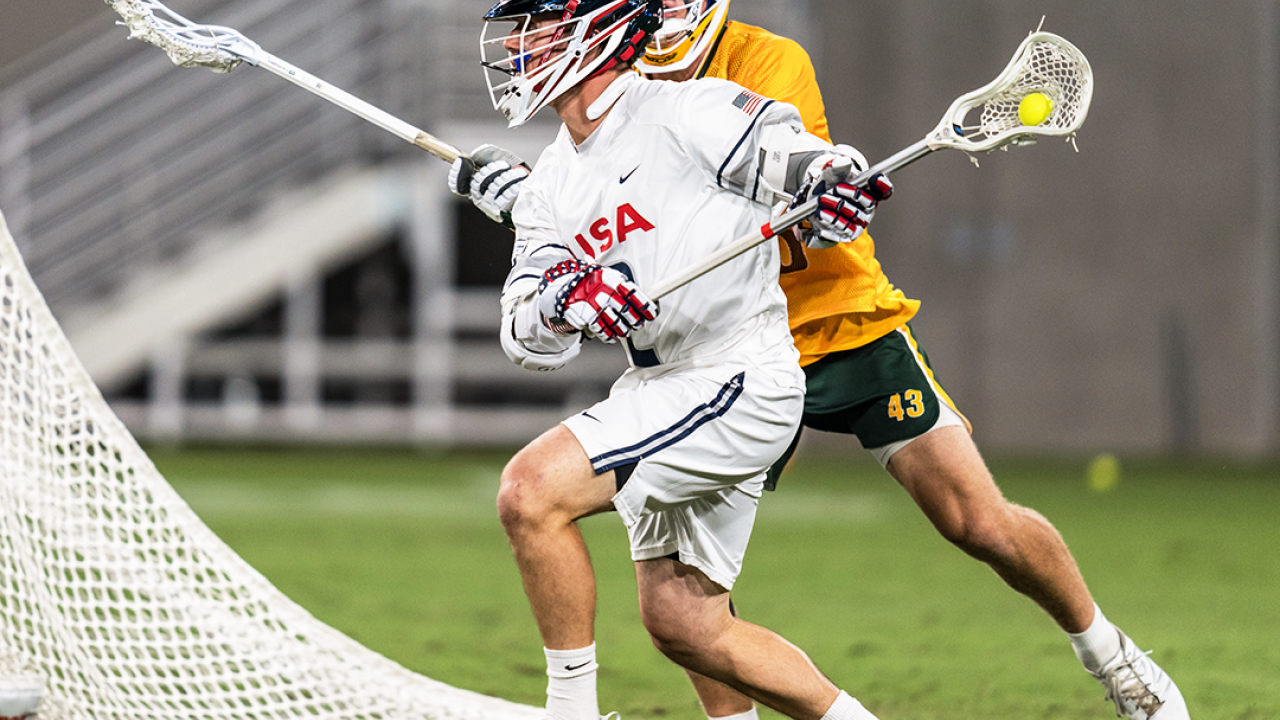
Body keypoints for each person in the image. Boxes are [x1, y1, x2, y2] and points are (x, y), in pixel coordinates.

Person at [452, 2, 1191, 720]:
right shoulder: (593, 119)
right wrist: (550, 241)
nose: (527, 46)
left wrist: (827, 179)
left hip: (830, 324)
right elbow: (599, 229)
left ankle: (1112, 656)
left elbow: (777, 172)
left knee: (975, 520)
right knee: (685, 610)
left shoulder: (736, 77)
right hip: (701, 358)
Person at [454, 1, 896, 719]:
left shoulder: (690, 111)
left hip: (738, 377)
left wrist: (834, 181)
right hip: (663, 381)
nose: (513, 42)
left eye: (536, 22)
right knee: (687, 626)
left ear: (596, 30)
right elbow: (523, 333)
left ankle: (568, 712)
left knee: (529, 493)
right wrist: (569, 300)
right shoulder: (554, 183)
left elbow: (797, 159)